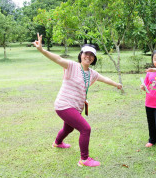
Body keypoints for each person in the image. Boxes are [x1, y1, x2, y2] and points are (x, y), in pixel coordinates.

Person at [32, 33, 122, 167]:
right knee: (86, 129)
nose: (88, 57)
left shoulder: (92, 74)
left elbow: (105, 79)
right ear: (81, 55)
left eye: (91, 55)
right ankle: (84, 159)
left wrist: (116, 84)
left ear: (94, 58)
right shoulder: (71, 66)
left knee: (68, 129)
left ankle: (57, 143)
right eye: (86, 54)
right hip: (64, 105)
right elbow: (57, 58)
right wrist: (42, 50)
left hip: (75, 107)